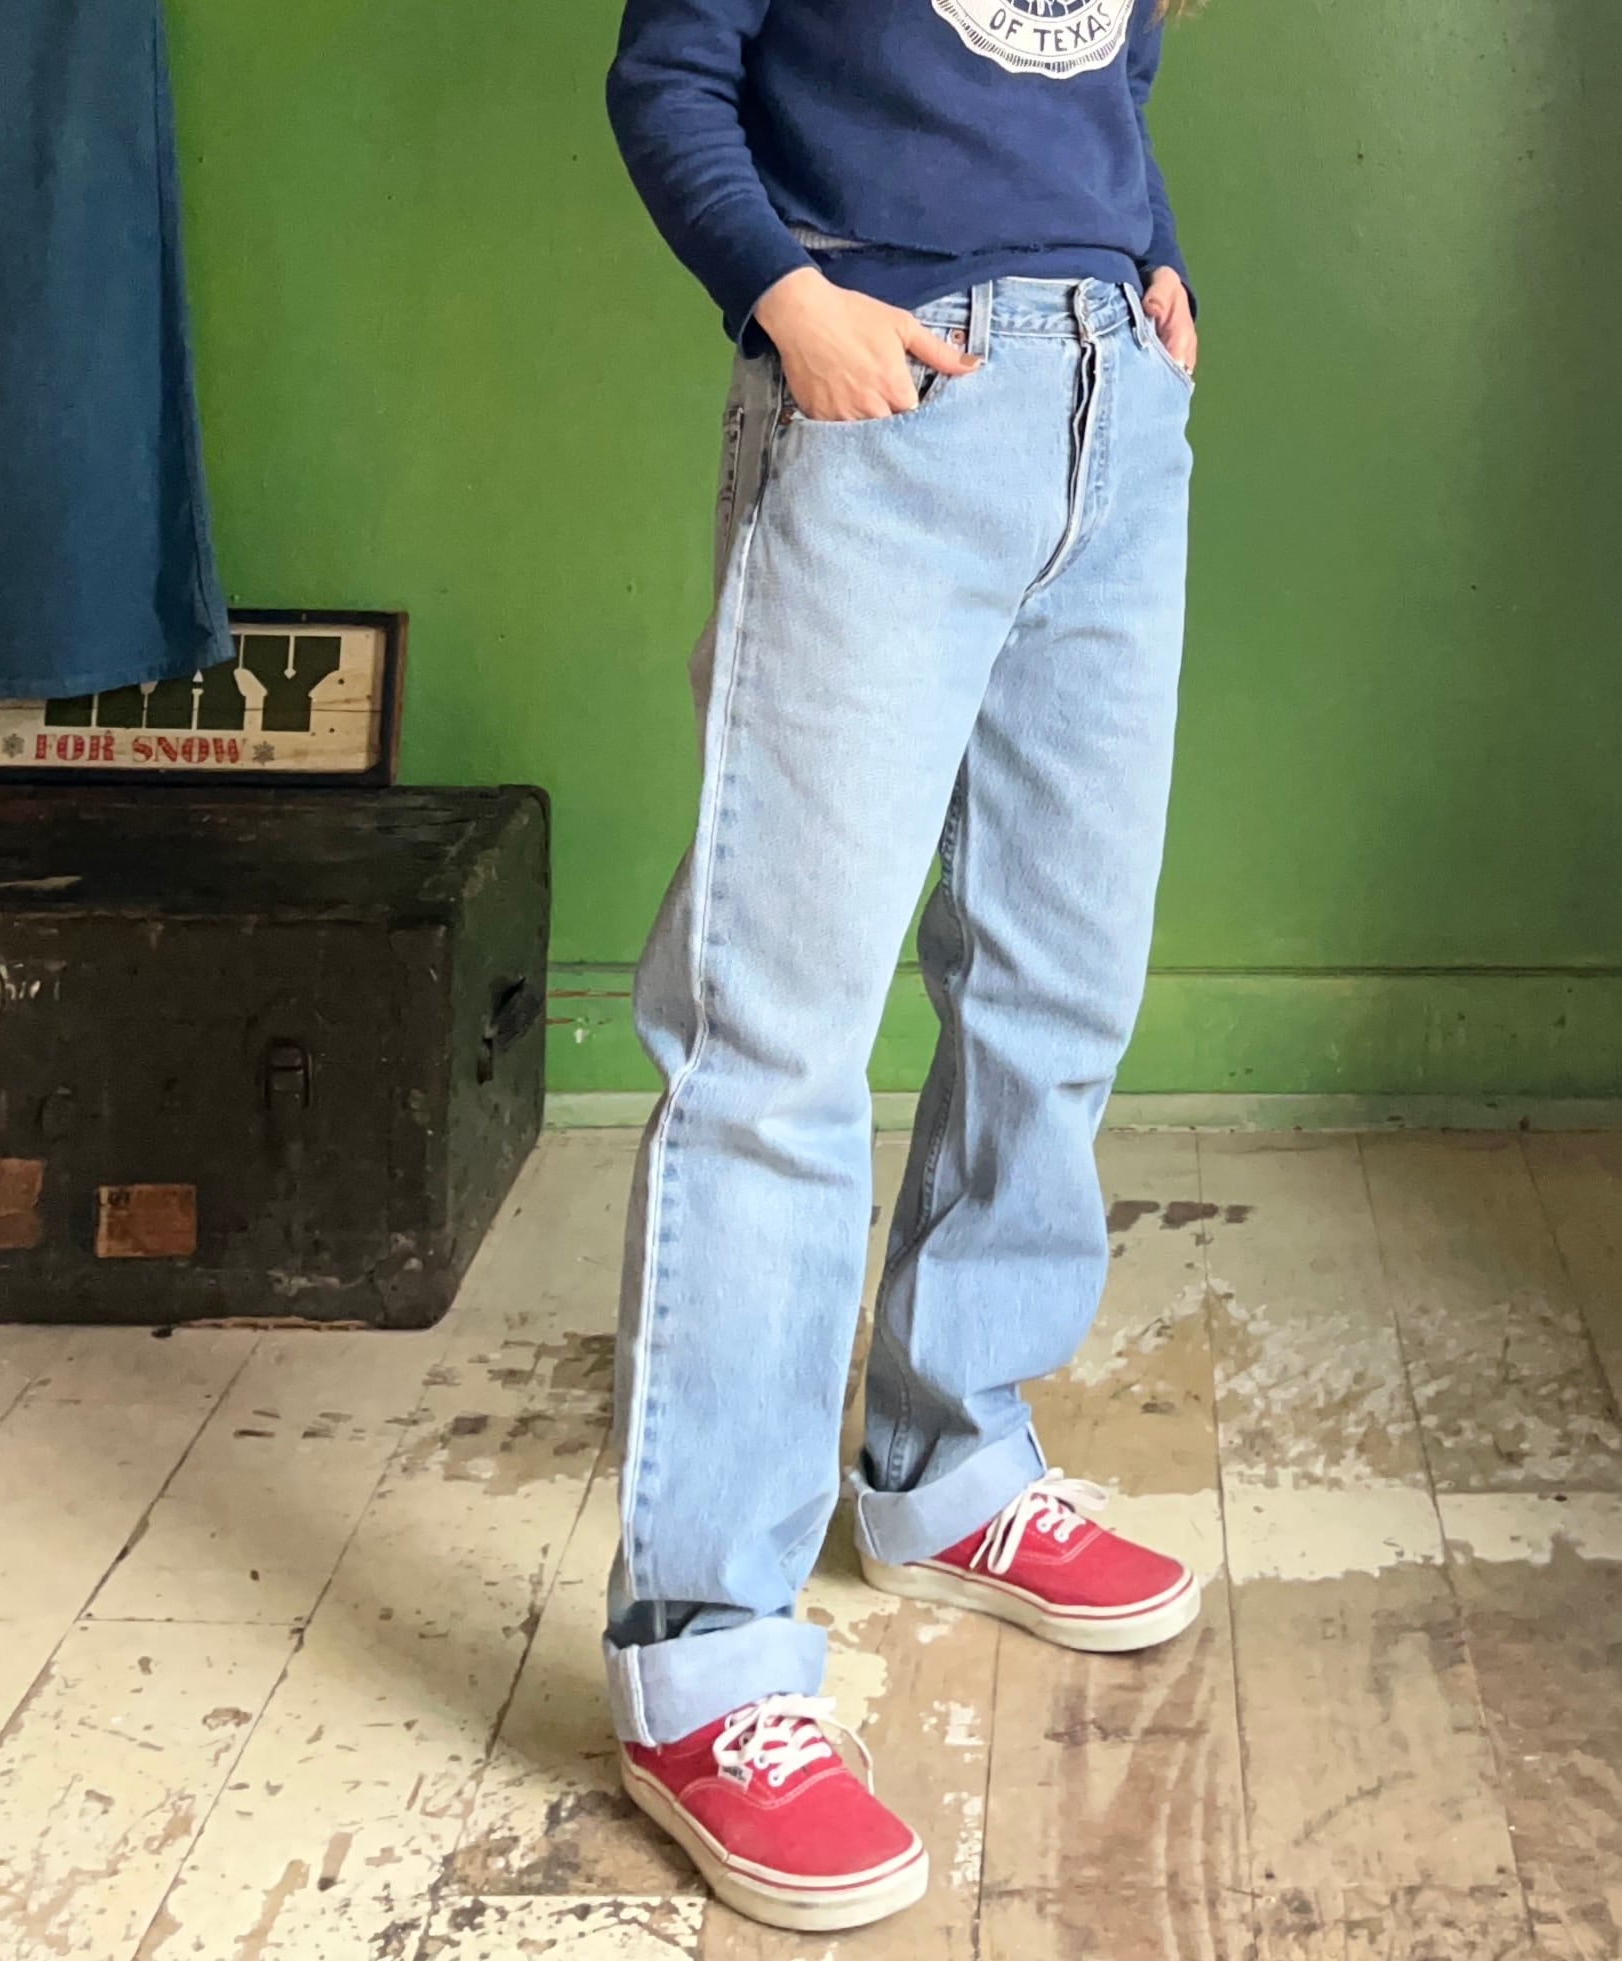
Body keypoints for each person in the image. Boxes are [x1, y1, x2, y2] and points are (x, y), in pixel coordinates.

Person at [602, 0, 1204, 1932]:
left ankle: (948, 1469)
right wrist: (790, 300)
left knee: (1056, 984)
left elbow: (1102, 80)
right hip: (891, 405)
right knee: (770, 1036)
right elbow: (669, 75)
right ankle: (704, 1664)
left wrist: (1155, 268)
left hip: (1115, 418)